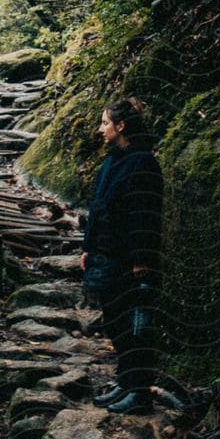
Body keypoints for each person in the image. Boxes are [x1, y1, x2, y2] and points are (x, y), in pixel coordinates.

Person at [79, 99, 162, 416]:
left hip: (131, 261)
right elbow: (98, 207)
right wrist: (88, 247)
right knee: (115, 322)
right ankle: (126, 381)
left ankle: (140, 393)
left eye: (104, 123)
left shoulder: (142, 163)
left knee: (135, 326)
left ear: (121, 126)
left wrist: (142, 259)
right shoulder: (113, 160)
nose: (101, 129)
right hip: (106, 256)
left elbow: (146, 214)